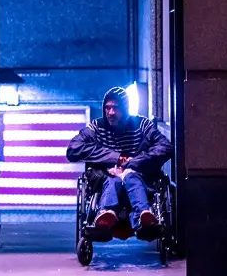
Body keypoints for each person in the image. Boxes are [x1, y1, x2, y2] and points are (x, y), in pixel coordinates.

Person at [66, 86, 173, 239]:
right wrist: (114, 158)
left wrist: (134, 163)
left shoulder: (142, 125)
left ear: (125, 109)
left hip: (137, 175)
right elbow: (73, 149)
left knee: (131, 177)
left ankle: (143, 217)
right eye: (107, 108)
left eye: (115, 108)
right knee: (113, 180)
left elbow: (165, 147)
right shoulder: (96, 127)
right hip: (107, 176)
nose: (110, 113)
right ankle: (105, 215)